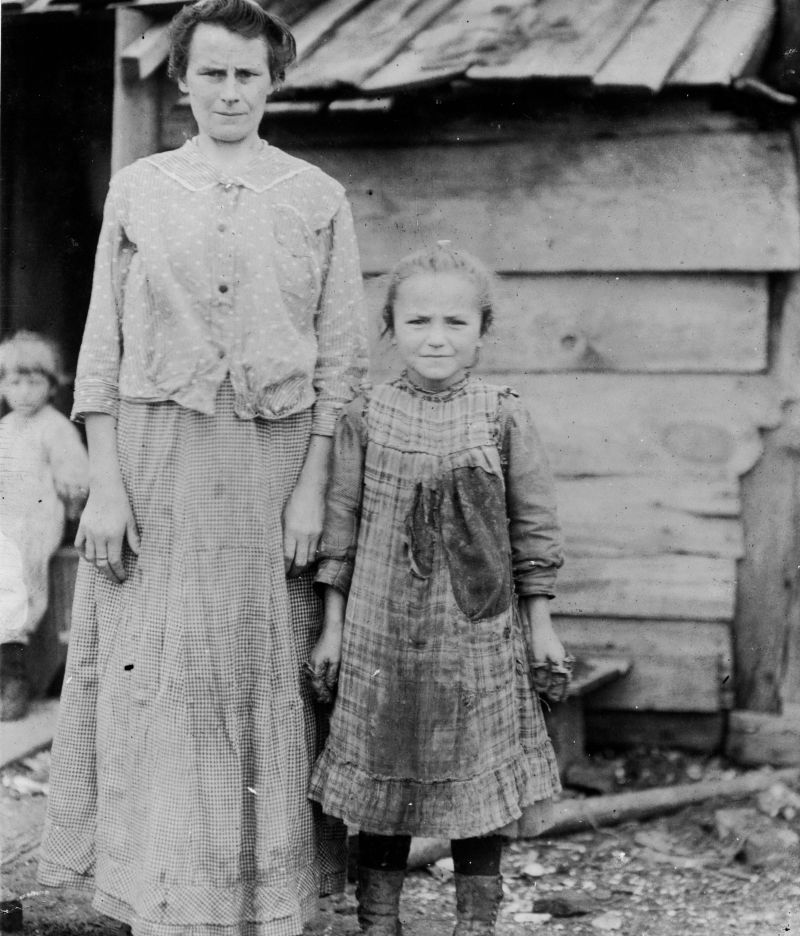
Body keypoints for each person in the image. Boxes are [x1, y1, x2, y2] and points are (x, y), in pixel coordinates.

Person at [38, 0, 367, 932]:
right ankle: (167, 899)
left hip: (271, 469)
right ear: (180, 81)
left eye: (247, 74)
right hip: (155, 464)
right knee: (163, 674)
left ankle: (260, 907)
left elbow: (341, 362)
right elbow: (102, 344)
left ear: (274, 83)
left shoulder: (317, 197)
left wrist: (311, 486)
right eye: (212, 73)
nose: (230, 90)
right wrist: (105, 484)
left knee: (258, 674)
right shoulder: (139, 189)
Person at [307, 242, 568, 936]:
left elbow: (532, 529)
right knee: (383, 777)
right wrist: (332, 628)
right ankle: (379, 922)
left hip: (476, 636)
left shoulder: (502, 413)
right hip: (379, 631)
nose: (437, 337)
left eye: (456, 322)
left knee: (475, 778)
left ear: (483, 332)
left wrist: (540, 626)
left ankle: (474, 925)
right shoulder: (365, 416)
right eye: (418, 321)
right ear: (390, 329)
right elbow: (340, 523)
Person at [0, 331, 89, 721]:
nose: (23, 391)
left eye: (34, 381)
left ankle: (13, 680)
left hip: (33, 524)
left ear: (53, 385)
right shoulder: (6, 426)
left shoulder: (55, 428)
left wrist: (72, 515)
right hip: (5, 519)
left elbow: (76, 481)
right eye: (14, 381)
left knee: (15, 589)